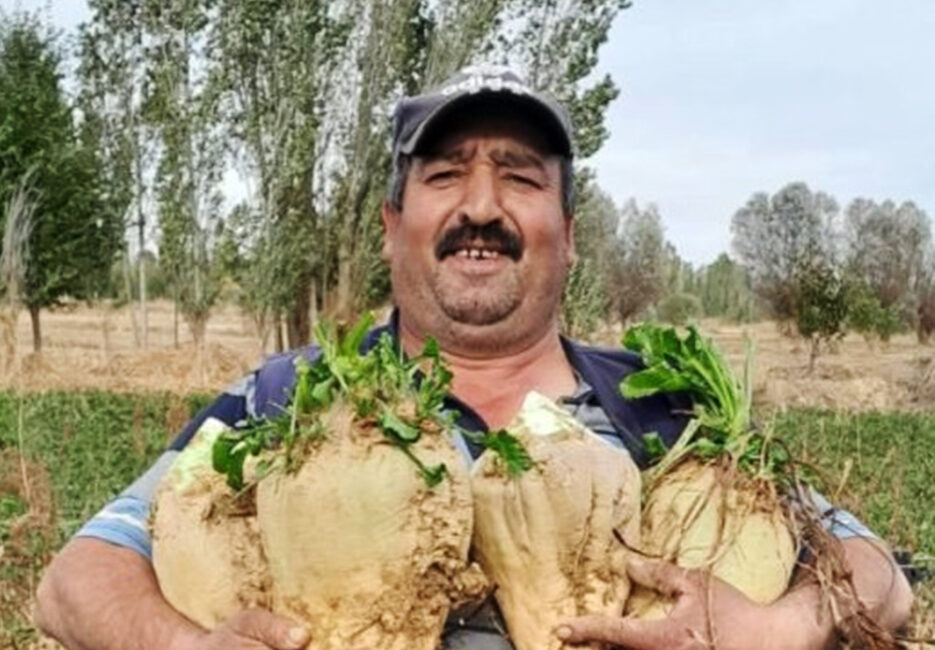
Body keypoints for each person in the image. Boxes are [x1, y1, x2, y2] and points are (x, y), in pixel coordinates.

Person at [35, 65, 912, 650]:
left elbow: (876, 574)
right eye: (446, 174)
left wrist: (781, 626)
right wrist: (188, 645)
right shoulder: (286, 400)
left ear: (565, 236)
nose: (482, 206)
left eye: (521, 178)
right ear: (393, 229)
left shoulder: (672, 414)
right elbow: (75, 580)